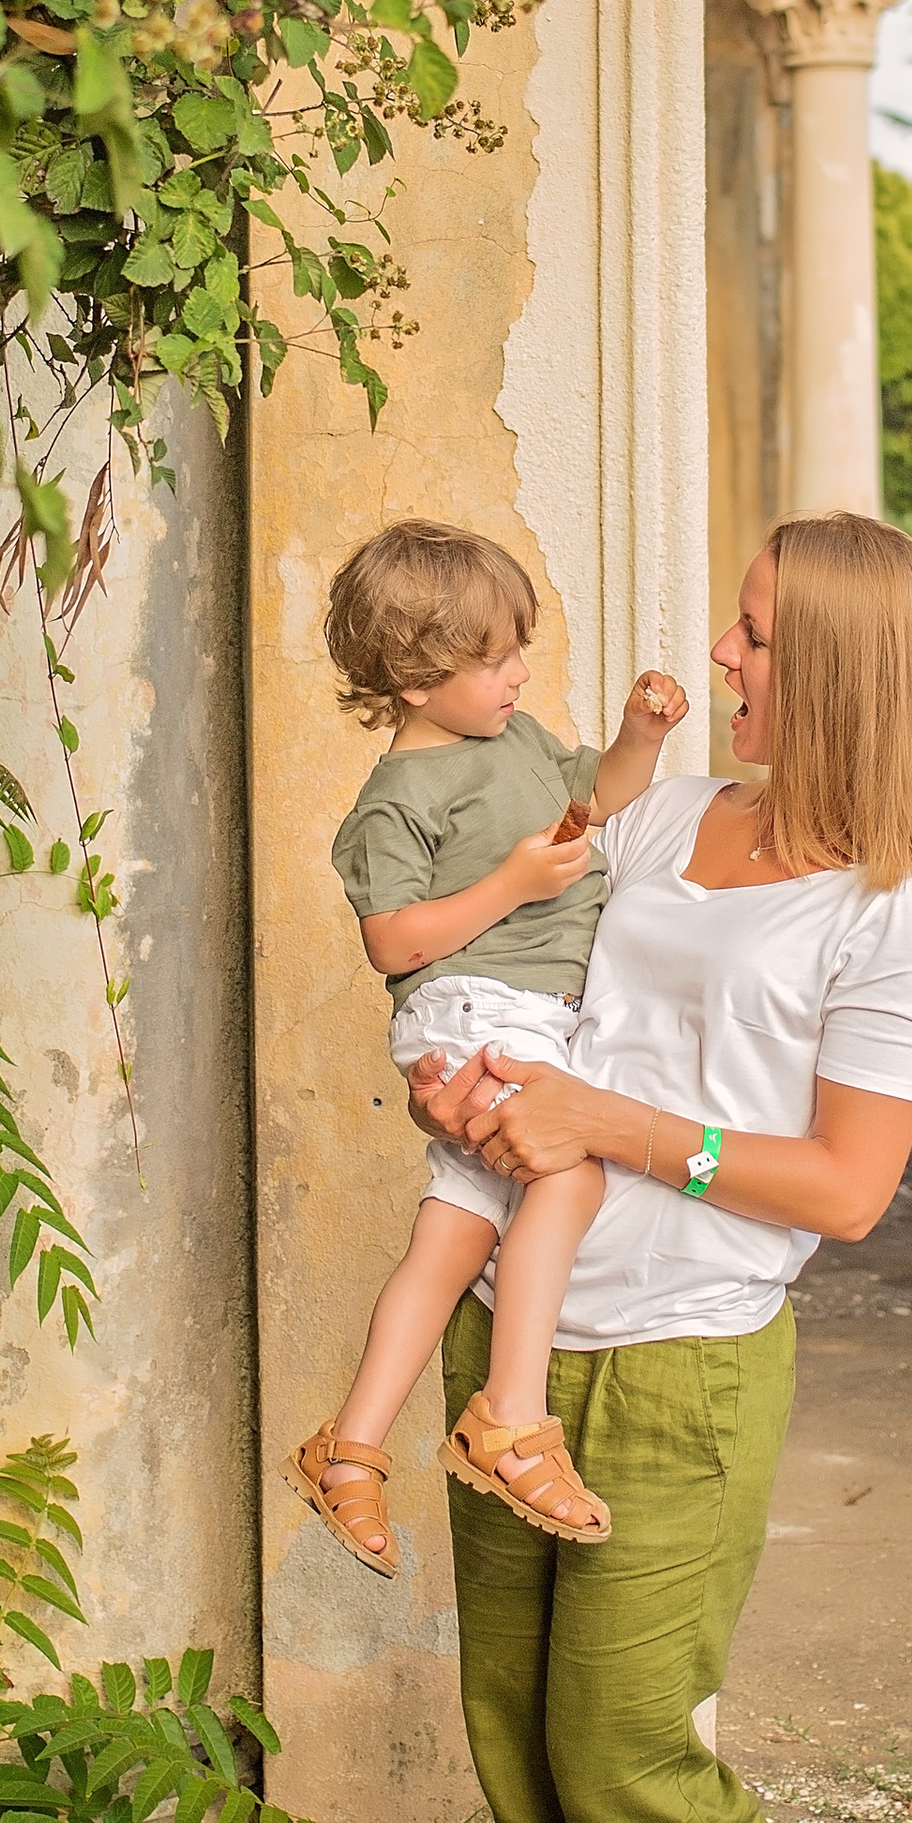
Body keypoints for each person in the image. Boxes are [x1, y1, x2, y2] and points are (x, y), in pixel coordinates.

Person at [409, 510, 912, 1823]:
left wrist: (615, 1128)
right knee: (519, 1754)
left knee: (624, 1760)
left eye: (752, 636)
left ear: (832, 663)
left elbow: (847, 1188)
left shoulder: (898, 919)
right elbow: (541, 993)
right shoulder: (671, 814)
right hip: (515, 1317)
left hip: (690, 1355)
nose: (723, 659)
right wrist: (481, 1080)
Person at [284, 517, 689, 1569]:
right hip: (475, 1007)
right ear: (415, 679)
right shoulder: (397, 800)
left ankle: (349, 1451)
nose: (518, 672)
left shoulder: (512, 742)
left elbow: (594, 797)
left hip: (521, 1013)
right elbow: (391, 942)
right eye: (493, 658)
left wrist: (641, 735)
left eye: (518, 648)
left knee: (454, 1232)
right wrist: (509, 885)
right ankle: (510, 1417)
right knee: (569, 1172)